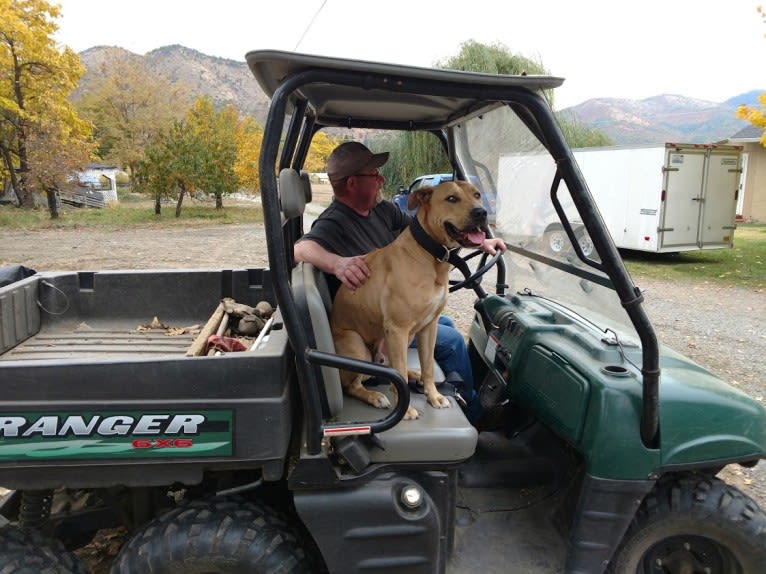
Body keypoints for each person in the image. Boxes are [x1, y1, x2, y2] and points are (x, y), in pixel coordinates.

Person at [294, 141, 506, 423]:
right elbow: (299, 249)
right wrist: (338, 263)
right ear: (353, 183)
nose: (382, 178)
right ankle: (475, 415)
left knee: (445, 323)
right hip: (365, 328)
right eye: (374, 174)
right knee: (454, 341)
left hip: (395, 309)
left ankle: (439, 387)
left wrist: (477, 241)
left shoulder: (381, 209)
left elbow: (428, 225)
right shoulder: (334, 221)